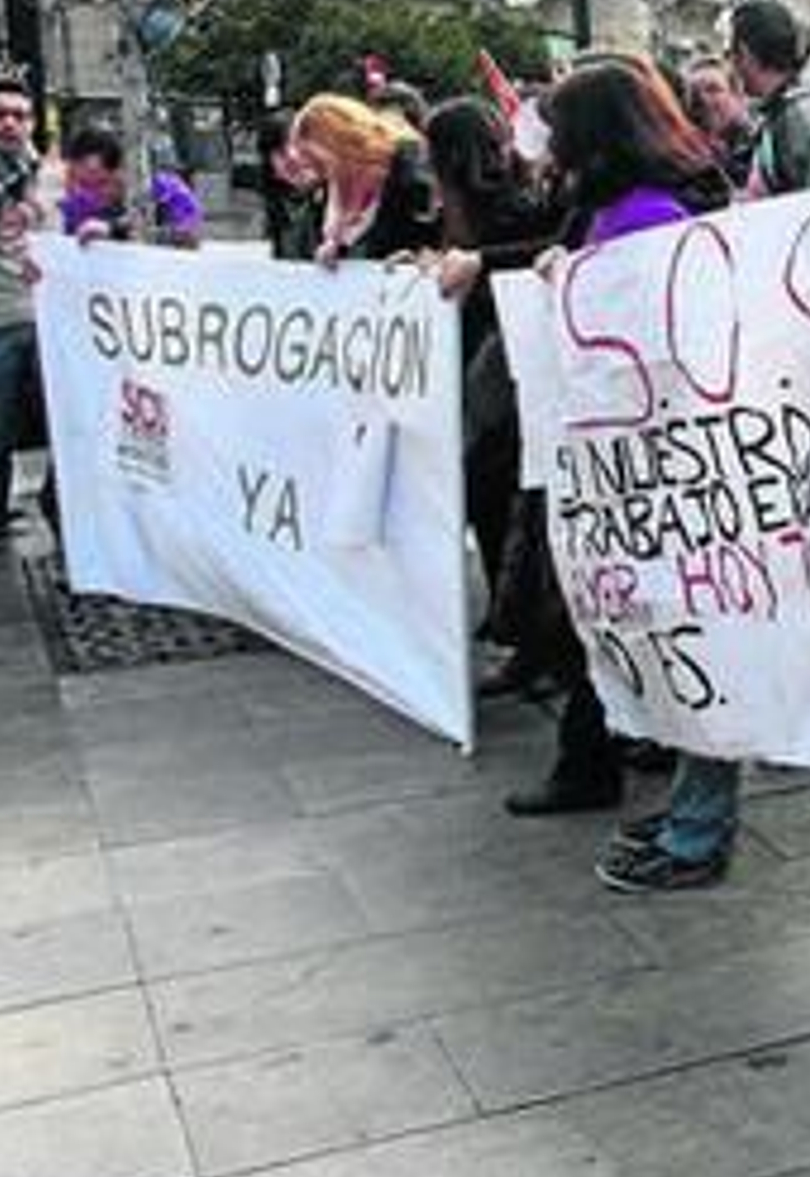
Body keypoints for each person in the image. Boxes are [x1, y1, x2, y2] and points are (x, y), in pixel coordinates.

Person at [488, 56, 734, 878]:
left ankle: (699, 833)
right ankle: (691, 813)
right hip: (636, 463)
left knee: (695, 646)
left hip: (666, 466)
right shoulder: (624, 210)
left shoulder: (648, 215)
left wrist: (576, 287)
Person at [423, 98, 561, 670]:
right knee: (488, 494)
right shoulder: (463, 204)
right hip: (486, 363)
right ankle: (514, 624)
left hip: (510, 367)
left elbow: (531, 256)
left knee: (502, 495)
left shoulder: (510, 202)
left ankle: (529, 639)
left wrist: (477, 262)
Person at [0, 70, 42, 552]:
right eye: (0, 114)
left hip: (43, 318)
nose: (9, 124)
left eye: (19, 115)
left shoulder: (41, 170)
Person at [728, 0, 810, 196]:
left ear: (744, 53)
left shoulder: (801, 116)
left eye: (732, 53)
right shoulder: (786, 112)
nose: (731, 65)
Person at [290, 93, 438, 264]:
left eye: (316, 160)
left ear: (342, 144)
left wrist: (423, 257)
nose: (316, 172)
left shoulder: (410, 167)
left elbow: (441, 240)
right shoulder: (328, 196)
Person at [58, 125, 204, 248]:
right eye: (83, 184)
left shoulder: (167, 191)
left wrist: (113, 231)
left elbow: (191, 237)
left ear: (122, 170)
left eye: (101, 183)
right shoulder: (78, 204)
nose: (91, 194)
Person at [255, 110, 322, 262]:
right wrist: (312, 180)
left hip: (299, 206)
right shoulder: (276, 155)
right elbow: (291, 177)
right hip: (288, 208)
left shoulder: (292, 150)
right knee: (291, 251)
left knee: (304, 249)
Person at [683, 54, 756, 187]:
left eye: (713, 89)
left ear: (737, 96)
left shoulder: (759, 144)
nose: (703, 99)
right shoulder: (682, 149)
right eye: (694, 92)